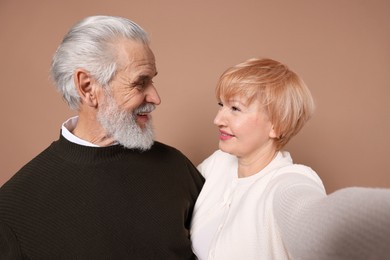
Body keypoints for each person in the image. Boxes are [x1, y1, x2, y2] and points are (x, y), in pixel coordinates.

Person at [0, 15, 204, 259]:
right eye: (140, 83)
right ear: (87, 88)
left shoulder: (175, 165)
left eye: (152, 80)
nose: (155, 98)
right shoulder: (13, 208)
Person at [190, 58, 390, 260]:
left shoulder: (288, 181)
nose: (217, 120)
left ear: (276, 125)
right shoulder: (216, 164)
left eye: (235, 108)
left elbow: (319, 223)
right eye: (221, 105)